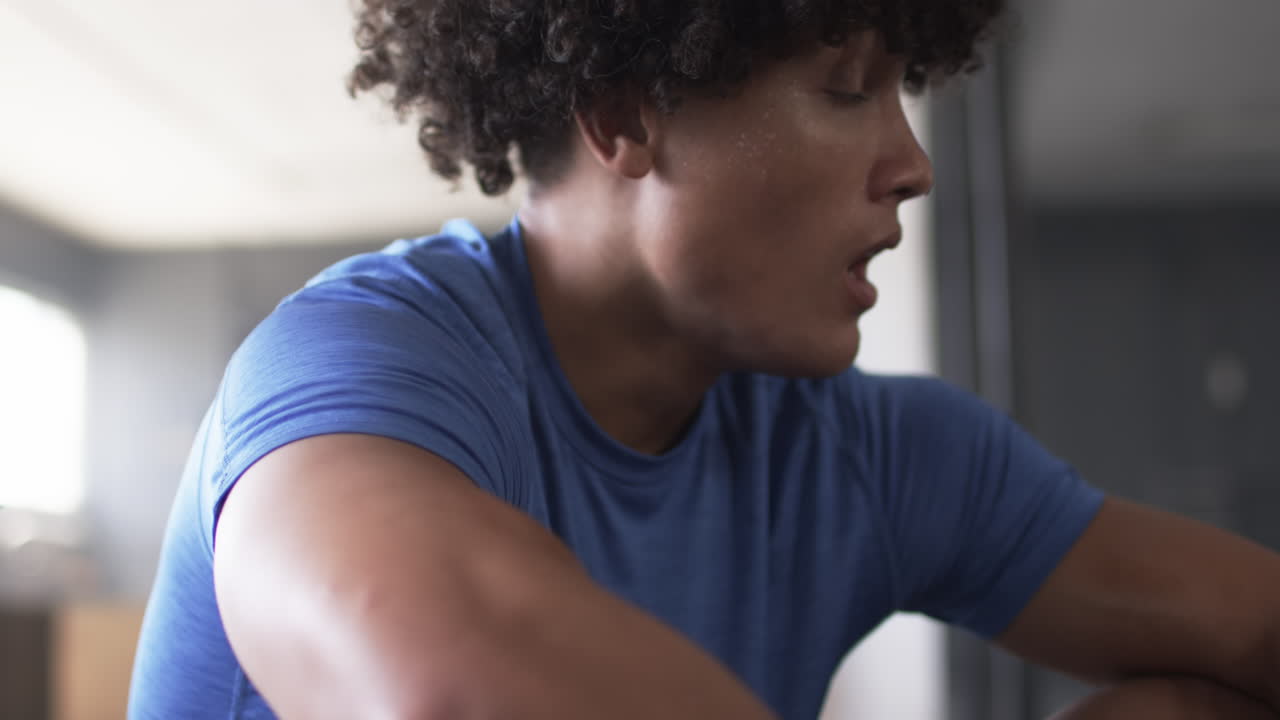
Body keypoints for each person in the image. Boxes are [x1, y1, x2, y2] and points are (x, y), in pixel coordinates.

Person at [128, 1, 1280, 718]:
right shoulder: (363, 366)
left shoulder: (873, 456)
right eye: (844, 88)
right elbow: (452, 689)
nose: (912, 163)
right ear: (624, 112)